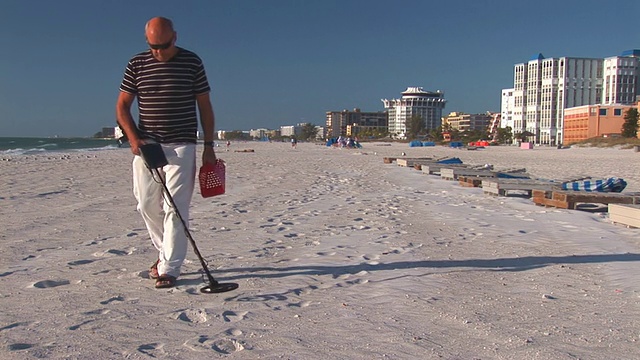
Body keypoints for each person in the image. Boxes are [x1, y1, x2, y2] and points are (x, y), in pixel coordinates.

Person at [116, 17, 217, 289]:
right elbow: (123, 107)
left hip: (182, 143)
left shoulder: (192, 62)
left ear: (174, 37)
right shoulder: (137, 64)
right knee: (146, 204)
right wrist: (133, 138)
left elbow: (205, 107)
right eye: (152, 46)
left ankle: (170, 269)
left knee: (176, 206)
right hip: (148, 145)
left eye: (162, 45)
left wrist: (209, 146)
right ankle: (164, 256)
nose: (158, 52)